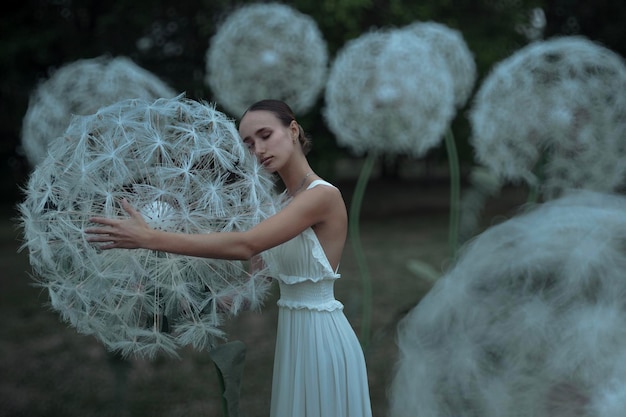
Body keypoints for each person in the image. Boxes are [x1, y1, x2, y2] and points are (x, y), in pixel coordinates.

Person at [86, 99, 373, 417]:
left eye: (265, 135)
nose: (258, 149)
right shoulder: (280, 203)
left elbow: (245, 245)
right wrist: (198, 298)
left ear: (292, 130)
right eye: (249, 144)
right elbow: (256, 280)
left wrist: (150, 239)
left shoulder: (321, 196)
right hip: (294, 337)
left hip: (322, 337)